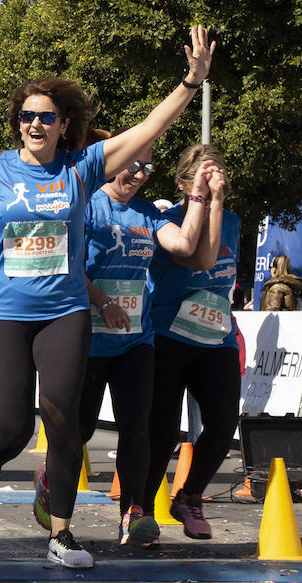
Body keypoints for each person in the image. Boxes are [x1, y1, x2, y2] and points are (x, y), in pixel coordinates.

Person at [0, 23, 214, 570]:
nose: (35, 124)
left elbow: (146, 130)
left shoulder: (81, 169)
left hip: (65, 312)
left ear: (64, 126)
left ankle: (61, 535)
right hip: (1, 313)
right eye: (26, 116)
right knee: (13, 427)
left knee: (63, 421)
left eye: (46, 116)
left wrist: (190, 82)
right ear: (17, 124)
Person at [81, 148, 216, 549]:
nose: (139, 175)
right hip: (87, 340)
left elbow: (186, 245)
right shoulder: (87, 207)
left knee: (137, 429)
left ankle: (133, 512)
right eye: (132, 166)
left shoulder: (148, 214)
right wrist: (102, 303)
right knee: (80, 429)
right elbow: (68, 266)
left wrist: (198, 195)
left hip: (136, 341)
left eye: (147, 169)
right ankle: (56, 498)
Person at [142, 145, 236, 541]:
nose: (216, 184)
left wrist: (218, 204)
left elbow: (223, 272)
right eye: (205, 177)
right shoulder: (167, 222)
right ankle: (141, 509)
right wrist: (206, 202)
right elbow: (200, 258)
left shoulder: (232, 219)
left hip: (217, 336)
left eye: (220, 176)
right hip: (169, 333)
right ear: (183, 184)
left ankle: (190, 496)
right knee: (162, 431)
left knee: (223, 423)